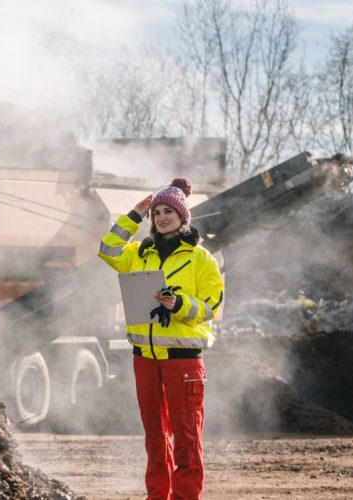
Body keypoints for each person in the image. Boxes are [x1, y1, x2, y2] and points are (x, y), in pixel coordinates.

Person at [97, 176, 224, 500]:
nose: (162, 217)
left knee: (185, 439)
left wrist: (180, 305)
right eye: (157, 212)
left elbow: (211, 307)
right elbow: (108, 248)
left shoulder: (201, 259)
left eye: (169, 211)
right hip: (145, 359)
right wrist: (132, 216)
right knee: (155, 437)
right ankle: (157, 496)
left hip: (183, 362)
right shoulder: (140, 253)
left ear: (183, 217)